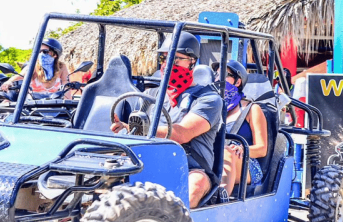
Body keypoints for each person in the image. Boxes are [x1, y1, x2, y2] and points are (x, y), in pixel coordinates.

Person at [110, 31, 223, 209]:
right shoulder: (150, 95)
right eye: (165, 59)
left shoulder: (209, 99)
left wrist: (141, 128)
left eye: (176, 59)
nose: (168, 65)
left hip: (190, 166)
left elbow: (182, 134)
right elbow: (138, 132)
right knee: (107, 174)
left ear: (192, 62)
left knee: (196, 184)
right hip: (149, 161)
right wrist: (126, 129)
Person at [220, 60, 268, 196]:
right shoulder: (213, 107)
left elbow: (262, 149)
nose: (218, 79)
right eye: (216, 75)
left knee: (227, 153)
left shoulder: (252, 109)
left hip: (247, 163)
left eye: (224, 74)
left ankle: (220, 201)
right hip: (218, 157)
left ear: (237, 82)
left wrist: (242, 148)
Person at [0, 38, 71, 99]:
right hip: (33, 108)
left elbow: (67, 86)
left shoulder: (61, 67)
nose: (41, 54)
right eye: (39, 52)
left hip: (55, 106)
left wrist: (68, 105)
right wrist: (8, 82)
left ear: (55, 54)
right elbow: (20, 76)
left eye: (45, 52)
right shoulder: (33, 66)